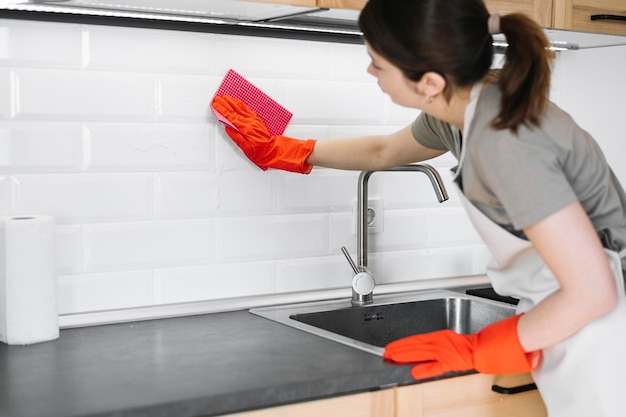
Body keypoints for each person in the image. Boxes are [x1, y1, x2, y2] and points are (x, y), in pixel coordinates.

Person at [211, 0, 626, 415]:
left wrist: (483, 345)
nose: (370, 72)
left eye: (378, 64)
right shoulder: (460, 108)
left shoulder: (504, 141)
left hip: (604, 325)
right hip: (573, 311)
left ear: (428, 82)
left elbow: (593, 290)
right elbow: (382, 151)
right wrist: (285, 150)